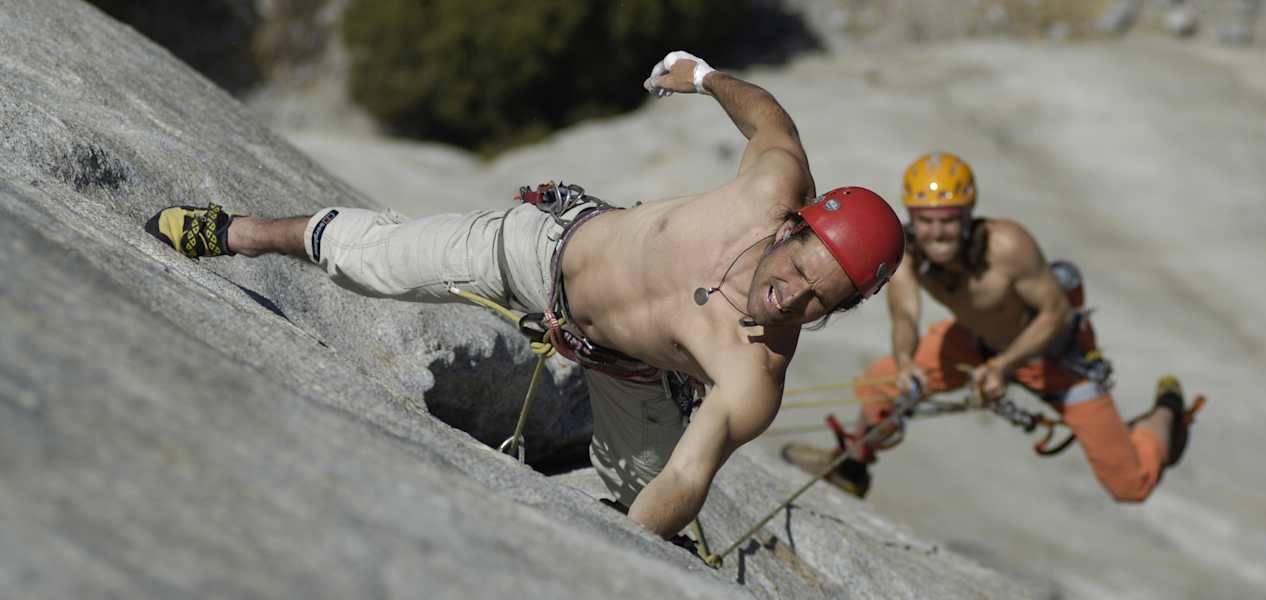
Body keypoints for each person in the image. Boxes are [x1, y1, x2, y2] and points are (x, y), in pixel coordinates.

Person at [145, 51, 905, 537]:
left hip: (628, 367)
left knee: (644, 489)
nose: (792, 298)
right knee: (375, 259)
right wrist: (705, 78)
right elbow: (769, 117)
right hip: (543, 249)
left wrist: (630, 559)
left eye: (820, 302)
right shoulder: (769, 185)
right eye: (802, 270)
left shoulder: (753, 376)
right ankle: (238, 233)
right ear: (797, 225)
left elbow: (685, 477)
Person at [782, 152, 1196, 502]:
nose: (937, 231)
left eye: (948, 219)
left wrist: (1003, 367)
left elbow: (1056, 314)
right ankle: (852, 467)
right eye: (926, 220)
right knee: (883, 382)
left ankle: (1165, 414)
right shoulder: (908, 254)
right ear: (912, 217)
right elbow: (905, 314)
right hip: (978, 344)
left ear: (967, 215)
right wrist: (907, 362)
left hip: (1057, 357)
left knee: (1129, 485)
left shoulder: (1007, 246)